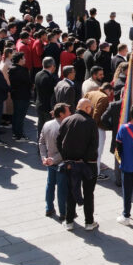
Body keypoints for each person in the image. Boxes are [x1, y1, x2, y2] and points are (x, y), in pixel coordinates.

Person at [57, 98, 99, 231]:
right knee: (88, 193)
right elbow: (94, 145)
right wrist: (84, 160)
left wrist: (66, 158)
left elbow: (59, 141)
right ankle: (89, 222)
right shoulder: (90, 122)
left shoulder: (67, 120)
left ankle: (69, 221)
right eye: (90, 107)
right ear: (86, 108)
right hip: (88, 164)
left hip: (71, 163)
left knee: (71, 192)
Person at [39, 103, 71, 218]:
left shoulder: (47, 124)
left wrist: (44, 157)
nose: (70, 113)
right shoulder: (65, 127)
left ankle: (49, 208)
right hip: (60, 163)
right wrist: (53, 159)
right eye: (68, 111)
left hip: (49, 161)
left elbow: (41, 142)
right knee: (62, 189)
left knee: (50, 185)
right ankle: (63, 213)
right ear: (62, 114)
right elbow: (66, 149)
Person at [8, 51, 33, 141]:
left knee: (16, 115)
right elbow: (28, 83)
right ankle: (19, 135)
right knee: (20, 116)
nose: (25, 59)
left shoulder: (11, 69)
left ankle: (16, 133)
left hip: (16, 95)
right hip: (23, 95)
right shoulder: (22, 70)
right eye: (24, 58)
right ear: (19, 60)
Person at [34, 58, 59, 134]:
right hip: (47, 107)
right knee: (48, 130)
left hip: (39, 105)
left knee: (41, 127)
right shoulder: (50, 78)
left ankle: (40, 144)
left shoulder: (38, 74)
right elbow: (52, 94)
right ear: (52, 66)